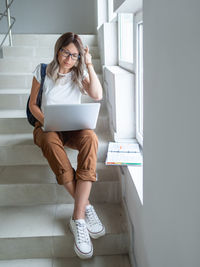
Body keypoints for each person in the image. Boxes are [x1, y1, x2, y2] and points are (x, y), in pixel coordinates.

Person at [29, 32, 105, 259]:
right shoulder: (42, 71)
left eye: (74, 56)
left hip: (72, 130)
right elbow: (33, 105)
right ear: (58, 49)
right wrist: (47, 121)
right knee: (51, 142)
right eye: (65, 52)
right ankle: (85, 207)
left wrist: (89, 64)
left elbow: (97, 95)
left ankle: (77, 217)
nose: (68, 59)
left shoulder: (79, 73)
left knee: (91, 138)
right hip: (46, 128)